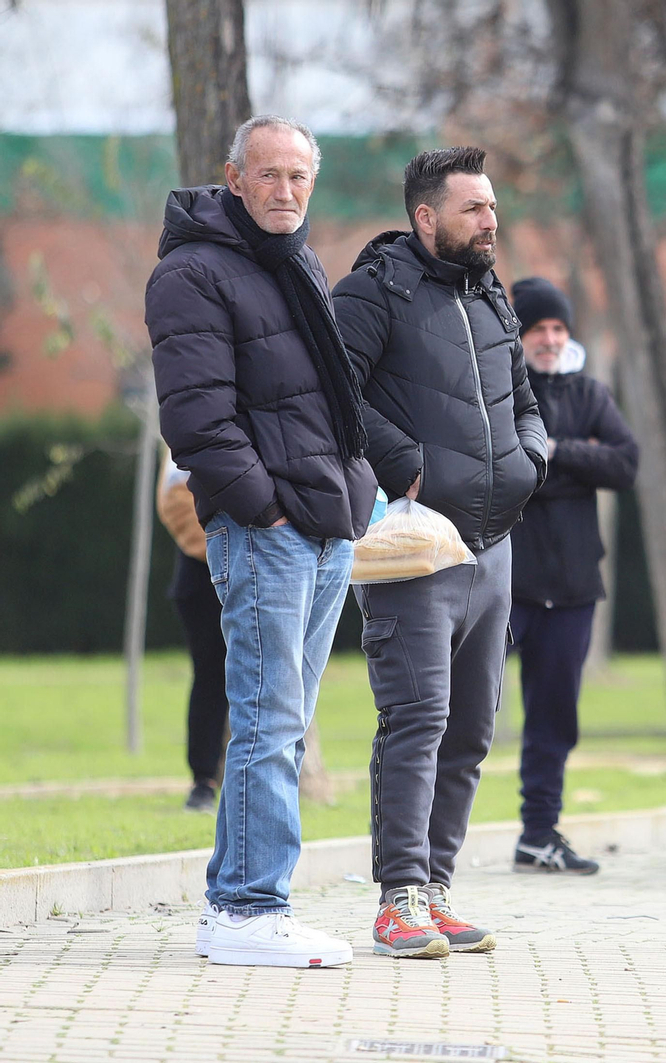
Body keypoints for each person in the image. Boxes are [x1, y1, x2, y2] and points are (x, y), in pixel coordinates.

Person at [147, 114, 377, 968]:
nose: (286, 190)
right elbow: (197, 421)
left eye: (299, 176)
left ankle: (240, 902)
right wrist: (266, 510)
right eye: (269, 174)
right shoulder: (192, 272)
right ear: (234, 177)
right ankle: (247, 907)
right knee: (266, 720)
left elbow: (330, 400)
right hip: (268, 530)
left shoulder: (295, 261)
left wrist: (356, 495)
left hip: (326, 527)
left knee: (287, 721)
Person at [332, 147, 547, 959]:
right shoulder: (373, 292)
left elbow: (524, 399)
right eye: (474, 209)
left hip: (494, 546)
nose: (491, 221)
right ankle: (399, 901)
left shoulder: (491, 295)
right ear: (426, 218)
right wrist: (406, 464)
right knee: (416, 718)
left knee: (471, 729)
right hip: (415, 548)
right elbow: (333, 394)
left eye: (492, 206)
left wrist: (532, 460)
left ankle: (439, 892)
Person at [506, 277, 638, 876]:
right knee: (462, 710)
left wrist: (558, 452)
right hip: (508, 584)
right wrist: (575, 460)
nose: (550, 339)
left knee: (555, 719)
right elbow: (506, 468)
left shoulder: (590, 393)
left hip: (575, 587)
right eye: (538, 329)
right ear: (520, 336)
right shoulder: (500, 389)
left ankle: (539, 834)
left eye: (558, 328)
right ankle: (427, 840)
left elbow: (625, 464)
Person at [155, 453, 228, 814]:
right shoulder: (192, 430)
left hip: (258, 570)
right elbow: (175, 499)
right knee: (211, 678)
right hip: (203, 579)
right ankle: (204, 781)